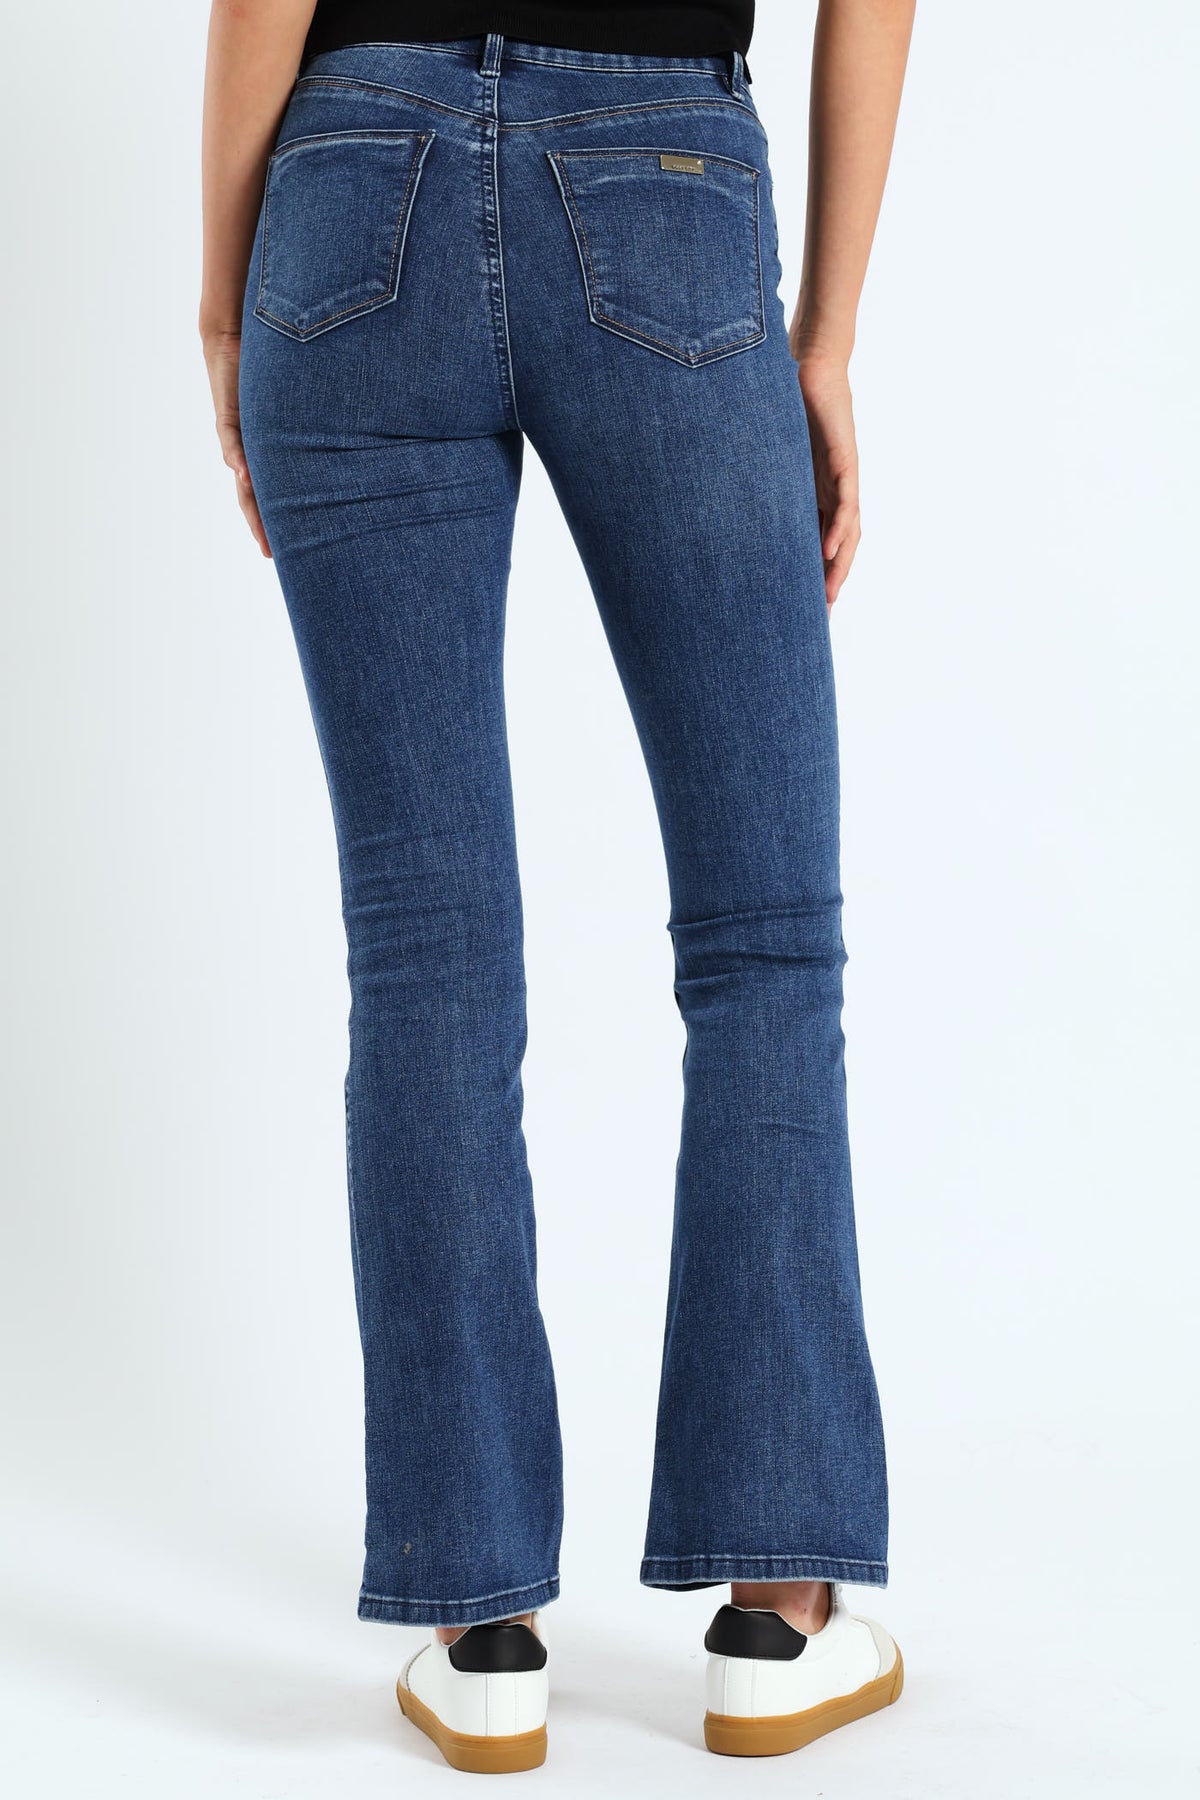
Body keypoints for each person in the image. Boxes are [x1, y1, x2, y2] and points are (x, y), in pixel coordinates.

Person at [200, 0, 916, 1773]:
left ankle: (483, 1627)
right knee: (763, 941)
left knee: (424, 954)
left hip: (349, 184)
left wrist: (225, 300)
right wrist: (826, 336)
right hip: (662, 181)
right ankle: (777, 1612)